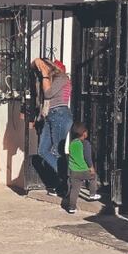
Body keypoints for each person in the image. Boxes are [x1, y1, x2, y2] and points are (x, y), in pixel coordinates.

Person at [33, 57, 73, 195]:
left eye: (43, 68)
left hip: (60, 114)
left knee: (57, 151)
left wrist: (44, 74)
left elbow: (49, 94)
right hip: (51, 116)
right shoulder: (48, 79)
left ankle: (66, 180)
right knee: (43, 150)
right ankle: (63, 179)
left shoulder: (62, 77)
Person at [64, 122, 97, 214]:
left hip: (74, 171)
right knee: (94, 177)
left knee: (75, 190)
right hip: (84, 170)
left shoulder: (72, 143)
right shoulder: (85, 144)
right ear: (84, 133)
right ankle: (92, 194)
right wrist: (91, 167)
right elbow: (87, 157)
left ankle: (72, 207)